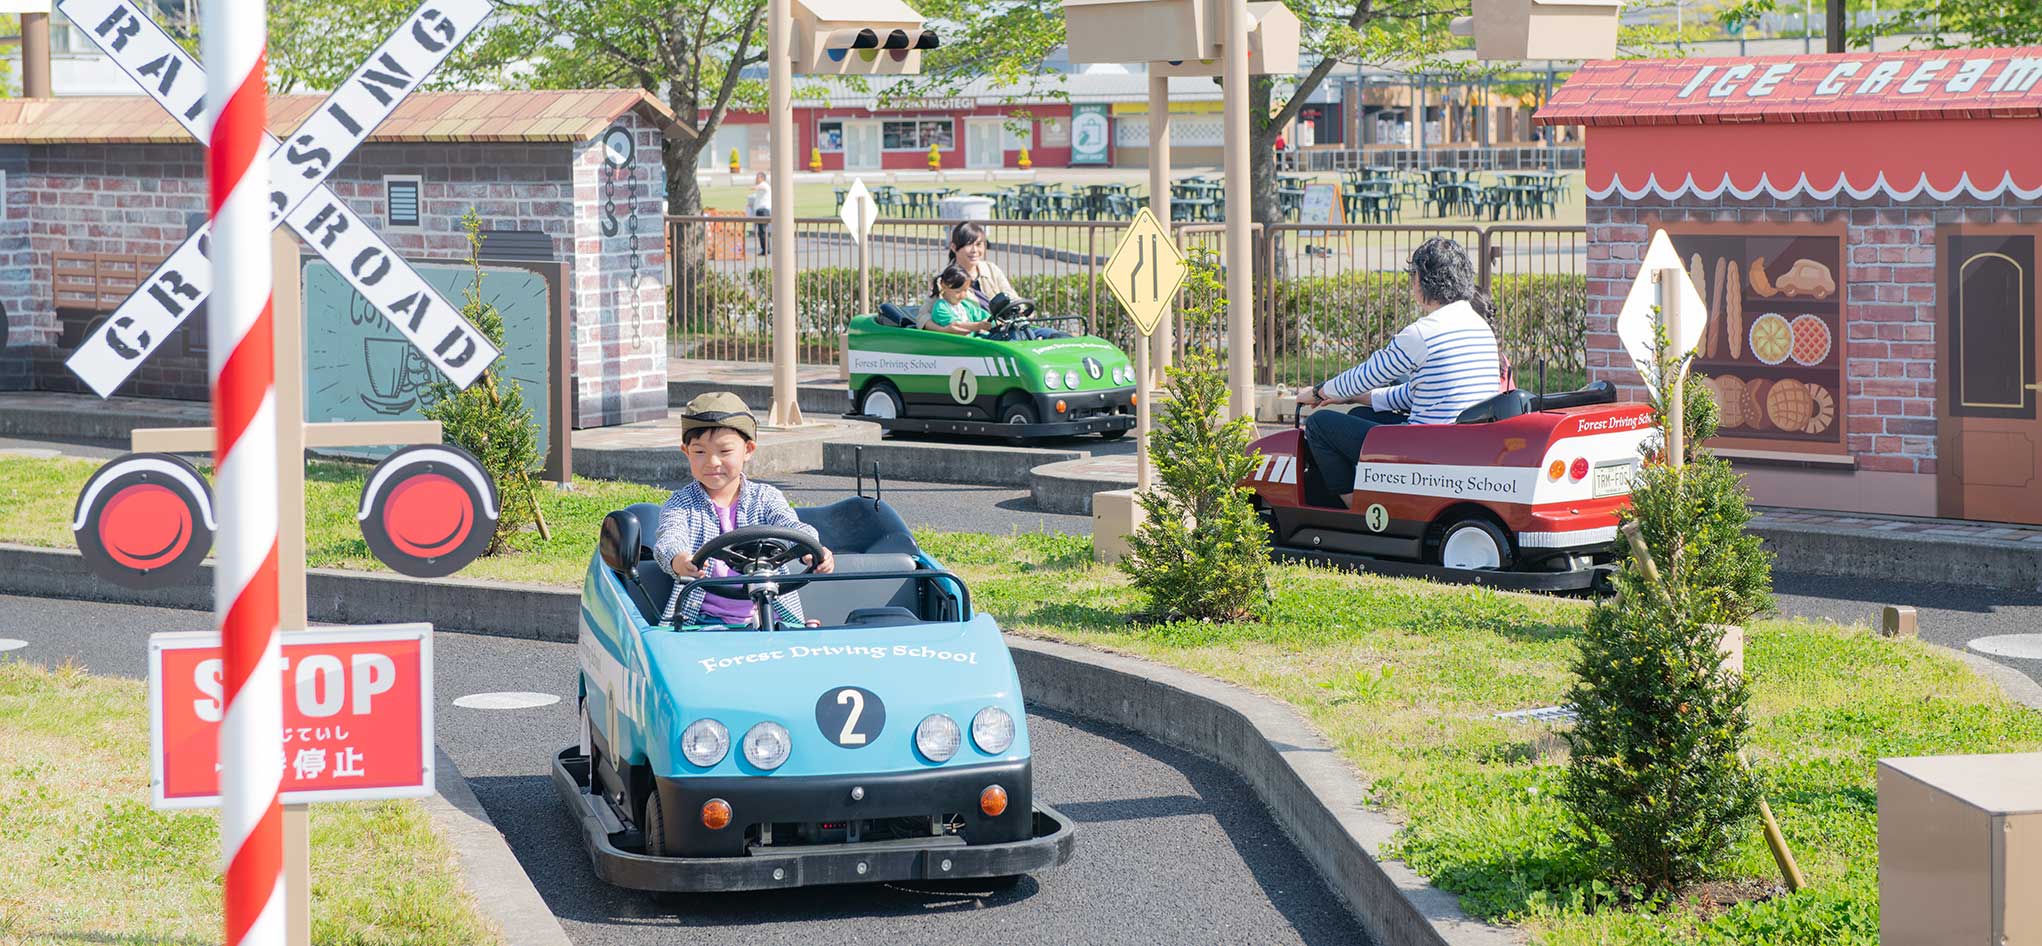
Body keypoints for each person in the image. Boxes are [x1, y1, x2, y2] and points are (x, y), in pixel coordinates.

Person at [1295, 237, 1502, 499]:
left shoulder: (1424, 332)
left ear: (1420, 280)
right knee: (1361, 413)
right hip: (1460, 441)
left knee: (1319, 424)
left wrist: (1318, 392)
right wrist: (1359, 397)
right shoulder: (1479, 326)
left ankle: (1352, 509)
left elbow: (1366, 375)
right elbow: (1419, 394)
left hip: (1425, 447)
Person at [654, 392, 835, 627]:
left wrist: (810, 548)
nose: (712, 462)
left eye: (725, 451)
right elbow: (670, 538)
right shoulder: (680, 505)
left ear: (748, 450)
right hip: (704, 620)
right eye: (700, 452)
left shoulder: (765, 498)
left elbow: (792, 526)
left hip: (774, 612)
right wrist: (679, 560)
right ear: (686, 452)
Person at [944, 221, 1066, 340]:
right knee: (1019, 339)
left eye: (979, 244)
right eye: (969, 244)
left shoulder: (991, 269)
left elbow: (1010, 295)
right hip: (983, 336)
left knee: (1058, 337)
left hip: (1011, 326)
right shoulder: (947, 279)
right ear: (954, 247)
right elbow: (926, 313)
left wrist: (1022, 310)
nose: (975, 250)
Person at [921, 265, 995, 335]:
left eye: (966, 290)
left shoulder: (965, 305)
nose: (963, 295)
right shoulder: (940, 307)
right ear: (943, 285)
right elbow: (955, 325)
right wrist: (978, 325)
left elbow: (984, 315)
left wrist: (994, 321)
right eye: (958, 291)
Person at [745, 172, 771, 256]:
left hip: (763, 211)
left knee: (763, 231)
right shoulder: (762, 188)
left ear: (762, 178)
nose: (756, 179)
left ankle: (766, 250)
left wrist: (752, 186)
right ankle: (764, 249)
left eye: (758, 177)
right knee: (761, 231)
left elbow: (754, 188)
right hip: (760, 210)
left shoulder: (764, 185)